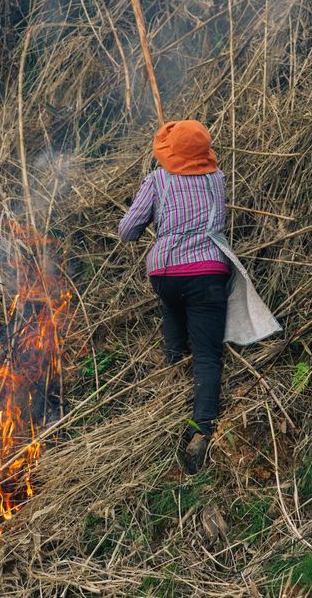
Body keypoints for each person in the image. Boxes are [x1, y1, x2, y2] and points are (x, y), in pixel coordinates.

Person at [118, 119, 230, 473]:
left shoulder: (158, 180)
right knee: (208, 357)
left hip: (166, 273)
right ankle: (201, 430)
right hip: (210, 272)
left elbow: (128, 231)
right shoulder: (218, 179)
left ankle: (170, 389)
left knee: (174, 324)